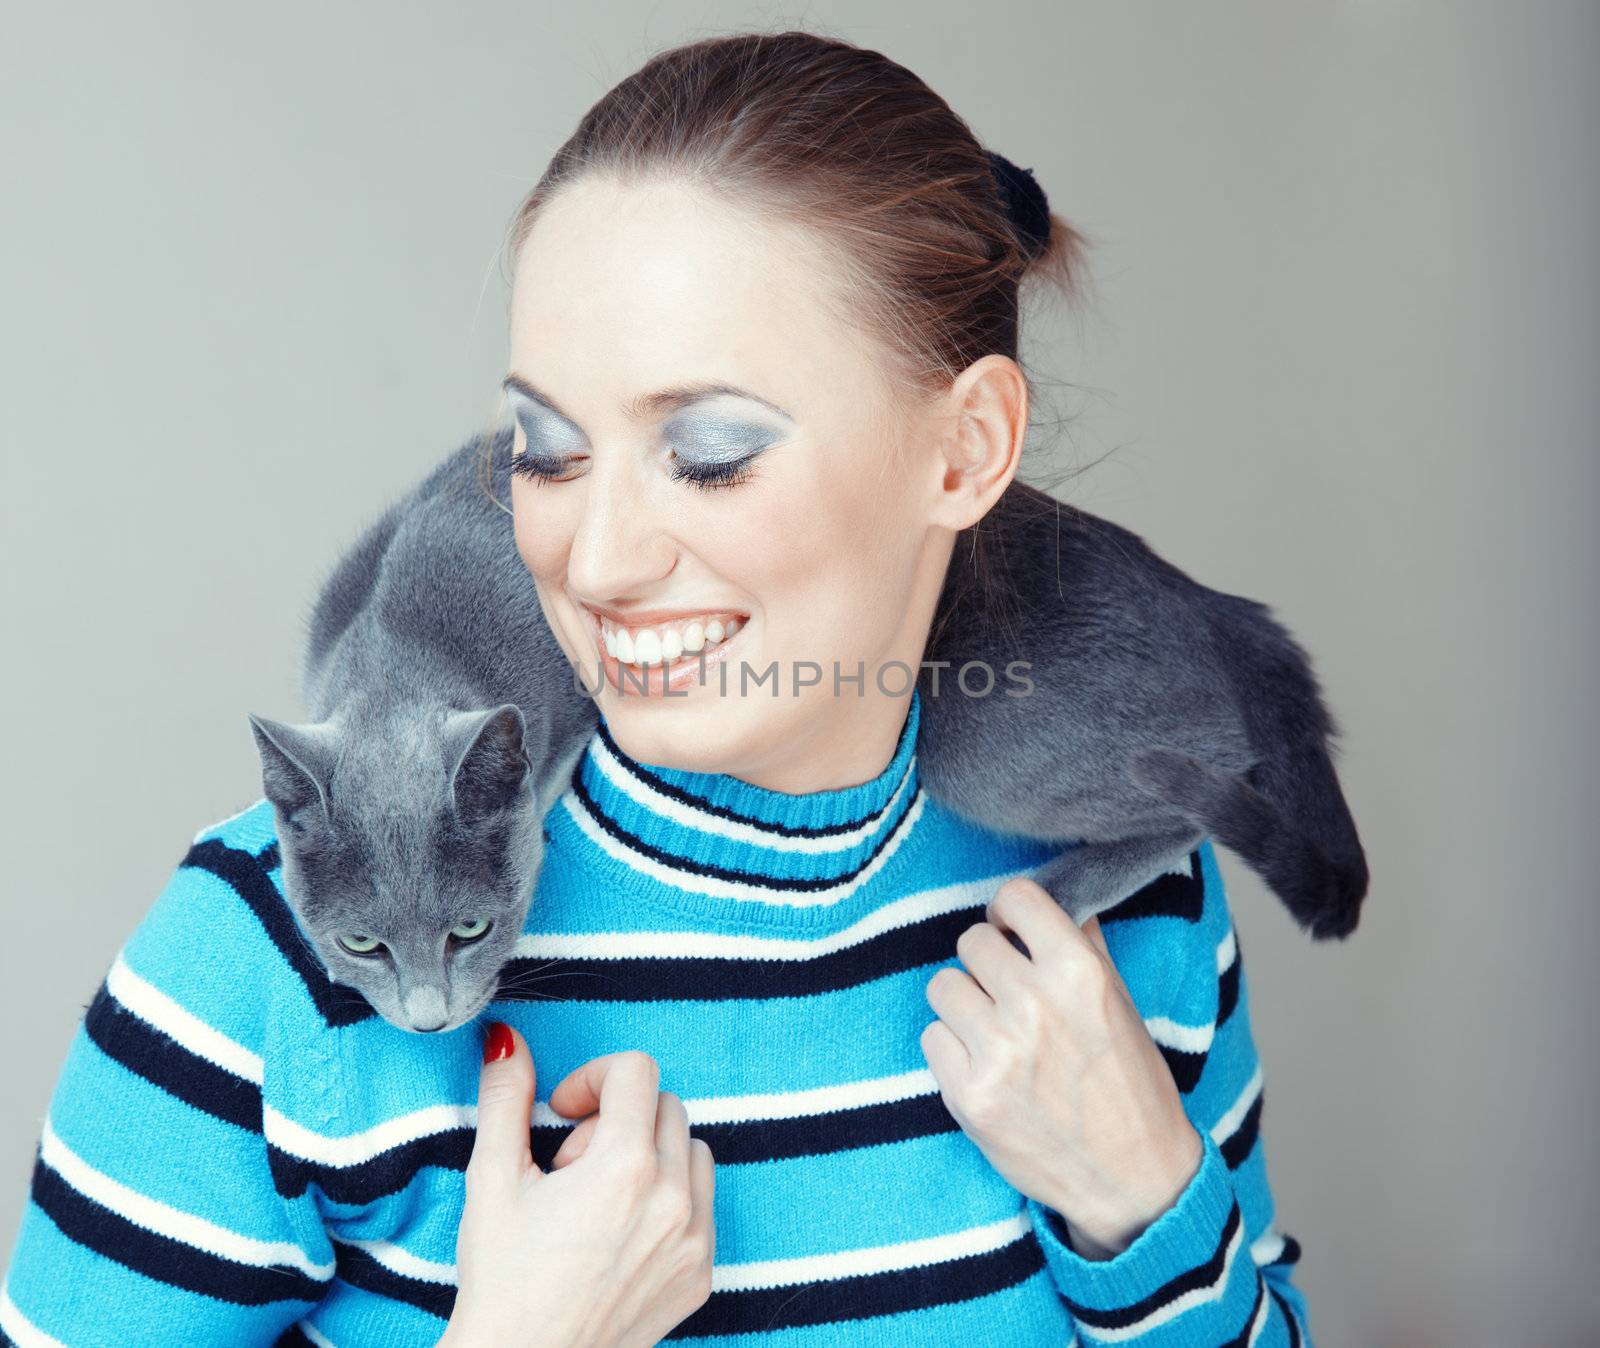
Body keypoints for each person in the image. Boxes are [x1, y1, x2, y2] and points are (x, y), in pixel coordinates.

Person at [0, 28, 1313, 1347]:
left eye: (710, 451)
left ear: (967, 449)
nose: (601, 557)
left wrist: (1147, 1206)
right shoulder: (271, 949)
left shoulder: (1130, 901)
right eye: (550, 450)